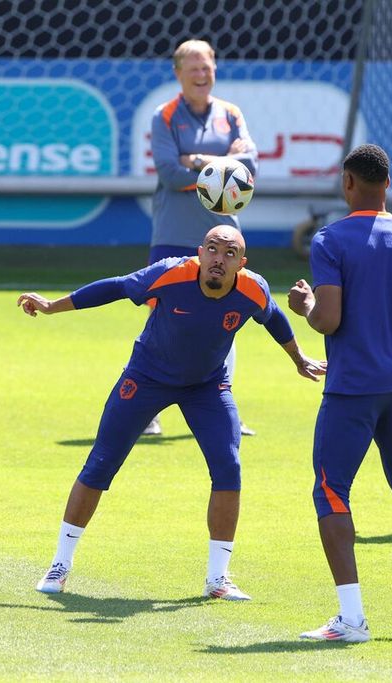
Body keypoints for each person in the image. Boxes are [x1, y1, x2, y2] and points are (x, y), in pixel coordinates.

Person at [18, 226, 325, 601]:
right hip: (146, 377)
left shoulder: (252, 288)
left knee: (229, 467)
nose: (218, 258)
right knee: (100, 463)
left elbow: (274, 317)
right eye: (212, 249)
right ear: (200, 253)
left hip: (207, 386)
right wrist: (53, 306)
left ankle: (218, 578)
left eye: (229, 253)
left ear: (241, 264)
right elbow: (115, 287)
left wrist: (298, 359)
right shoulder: (170, 273)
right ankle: (60, 565)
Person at [288, 144, 392, 642]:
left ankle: (352, 618)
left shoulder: (330, 240)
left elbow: (329, 318)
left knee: (332, 490)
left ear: (348, 182)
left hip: (352, 388)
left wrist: (306, 304)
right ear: (387, 183)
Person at [146, 38, 259, 436]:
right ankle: (148, 409)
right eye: (193, 68)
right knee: (162, 323)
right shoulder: (165, 116)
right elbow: (168, 172)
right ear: (178, 74)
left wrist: (194, 159)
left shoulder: (231, 113)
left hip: (226, 239)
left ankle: (225, 409)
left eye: (207, 67)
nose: (201, 75)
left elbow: (249, 166)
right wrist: (224, 161)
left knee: (226, 323)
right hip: (174, 235)